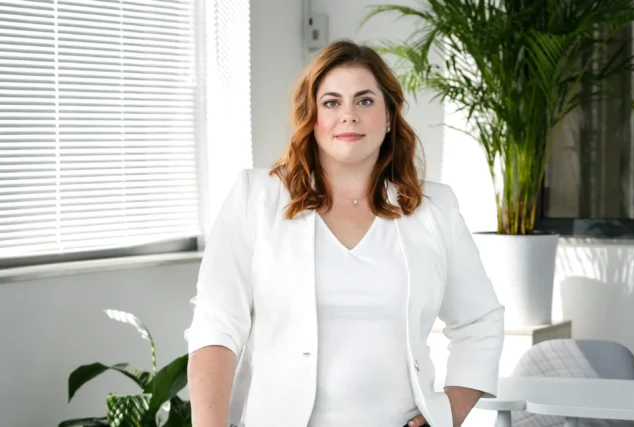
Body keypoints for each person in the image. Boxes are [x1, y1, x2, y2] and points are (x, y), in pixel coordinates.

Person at [184, 39, 505, 427]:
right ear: (312, 117)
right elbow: (217, 326)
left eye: (365, 101)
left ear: (389, 116)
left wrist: (447, 414)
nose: (348, 115)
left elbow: (479, 321)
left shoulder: (434, 208)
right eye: (332, 102)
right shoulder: (256, 197)